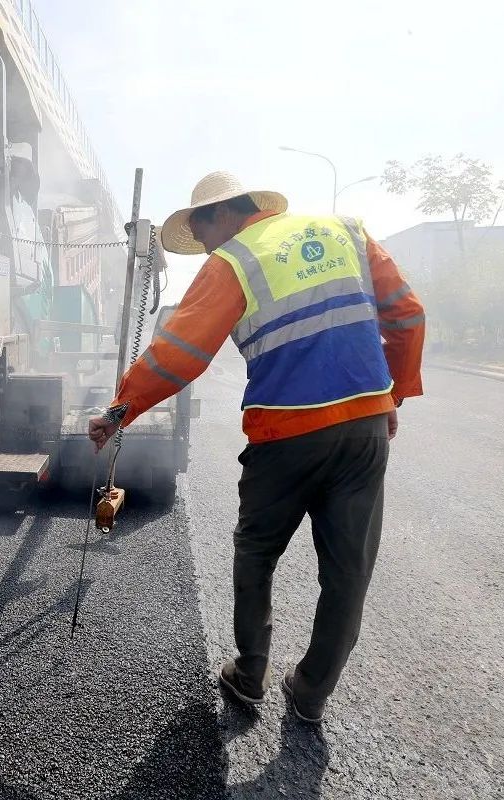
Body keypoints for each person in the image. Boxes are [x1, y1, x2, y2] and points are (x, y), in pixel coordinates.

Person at [88, 171, 425, 723]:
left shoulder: (235, 260)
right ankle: (311, 693)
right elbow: (408, 316)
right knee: (348, 570)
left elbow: (178, 353)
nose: (204, 246)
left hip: (284, 437)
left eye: (201, 230)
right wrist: (392, 395)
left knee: (256, 551)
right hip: (364, 431)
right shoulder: (347, 231)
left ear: (222, 213)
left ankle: (249, 675)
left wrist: (118, 410)